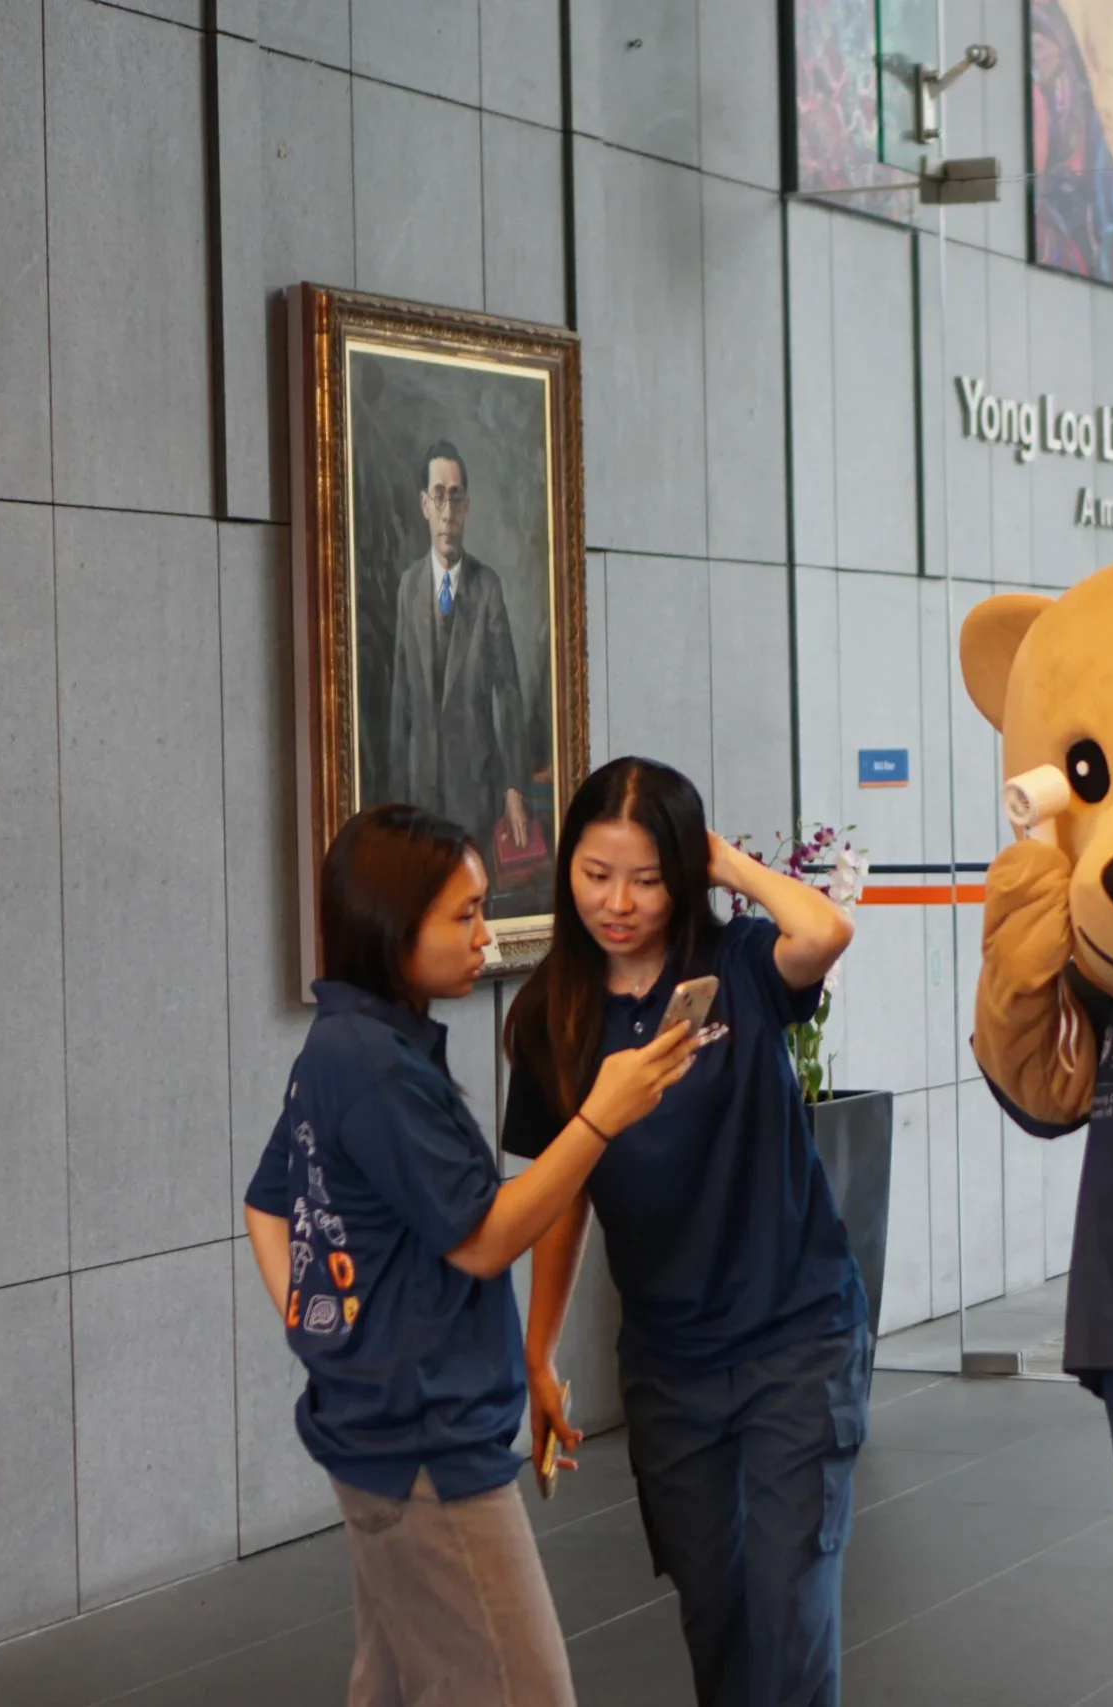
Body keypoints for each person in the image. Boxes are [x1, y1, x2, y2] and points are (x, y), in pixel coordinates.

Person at [243, 804, 701, 1706]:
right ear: (392, 926)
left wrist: (327, 1335)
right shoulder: (373, 1066)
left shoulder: (346, 1046)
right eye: (465, 914)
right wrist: (601, 1116)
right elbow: (486, 1237)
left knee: (393, 1683)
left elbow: (268, 1202)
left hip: (380, 1430)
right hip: (425, 1446)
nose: (486, 936)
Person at [504, 758, 864, 1707]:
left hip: (798, 1336)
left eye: (649, 877)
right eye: (596, 874)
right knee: (718, 1616)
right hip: (672, 1365)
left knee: (791, 1611)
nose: (618, 903)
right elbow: (562, 1195)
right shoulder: (549, 1013)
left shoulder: (739, 964)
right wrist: (539, 1351)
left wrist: (727, 864)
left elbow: (827, 929)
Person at [386, 440, 536, 881]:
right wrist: (395, 802)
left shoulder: (487, 588)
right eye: (438, 496)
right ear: (424, 505)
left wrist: (513, 787)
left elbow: (508, 693)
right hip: (419, 796)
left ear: (467, 507)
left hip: (475, 794)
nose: (447, 511)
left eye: (455, 497)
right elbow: (401, 700)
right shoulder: (408, 587)